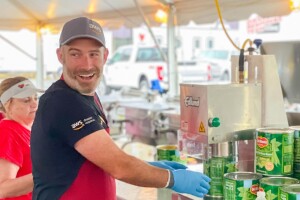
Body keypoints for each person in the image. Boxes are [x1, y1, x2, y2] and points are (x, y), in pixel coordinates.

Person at [30, 17, 211, 200]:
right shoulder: (62, 101)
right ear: (60, 55)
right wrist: (171, 179)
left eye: (93, 54)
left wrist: (148, 167)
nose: (86, 65)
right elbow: (119, 166)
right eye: (75, 54)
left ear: (105, 56)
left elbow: (102, 159)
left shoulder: (87, 95)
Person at [0, 77, 43, 199]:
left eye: (36, 98)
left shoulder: (27, 130)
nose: (34, 104)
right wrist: (47, 173)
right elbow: (3, 189)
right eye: (26, 100)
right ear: (7, 104)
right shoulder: (7, 132)